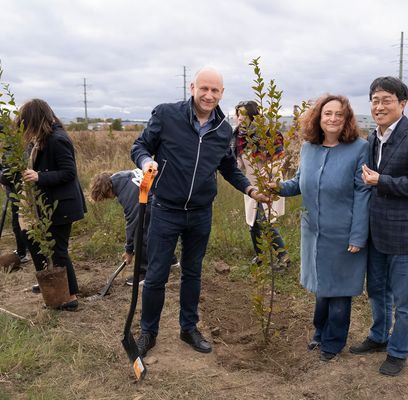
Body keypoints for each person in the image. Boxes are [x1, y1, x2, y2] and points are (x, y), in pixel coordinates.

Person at [131, 66, 267, 356]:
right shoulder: (166, 115)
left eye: (215, 90)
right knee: (156, 274)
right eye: (204, 88)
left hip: (201, 212)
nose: (208, 95)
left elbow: (228, 167)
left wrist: (251, 190)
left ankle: (188, 328)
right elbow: (140, 146)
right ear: (192, 87)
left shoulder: (223, 129)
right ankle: (148, 332)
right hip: (166, 209)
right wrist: (145, 163)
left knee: (193, 273)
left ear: (222, 94)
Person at [348, 77, 408, 376]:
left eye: (386, 99)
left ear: (402, 103)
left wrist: (381, 181)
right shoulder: (374, 137)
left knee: (404, 299)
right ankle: (378, 336)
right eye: (374, 100)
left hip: (406, 233)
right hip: (377, 231)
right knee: (376, 290)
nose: (379, 106)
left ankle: (398, 351)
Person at [275, 95, 370, 361]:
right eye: (328, 113)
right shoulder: (309, 148)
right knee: (321, 284)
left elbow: (363, 194)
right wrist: (275, 187)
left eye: (339, 114)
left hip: (343, 232)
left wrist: (358, 234)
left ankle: (333, 341)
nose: (333, 119)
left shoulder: (359, 149)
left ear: (347, 118)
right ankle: (319, 331)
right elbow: (298, 183)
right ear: (318, 117)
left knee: (339, 289)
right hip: (313, 231)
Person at [16, 99, 86, 311]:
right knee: (37, 245)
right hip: (43, 206)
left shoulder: (57, 139)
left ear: (35, 119)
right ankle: (55, 291)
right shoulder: (37, 141)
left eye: (26, 123)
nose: (25, 129)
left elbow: (69, 173)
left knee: (58, 251)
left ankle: (70, 296)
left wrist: (39, 176)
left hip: (61, 206)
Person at [89, 169, 179, 286]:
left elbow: (132, 223)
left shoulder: (126, 194)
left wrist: (129, 250)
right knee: (157, 232)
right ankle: (171, 261)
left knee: (139, 234)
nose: (110, 198)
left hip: (157, 203)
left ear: (107, 189)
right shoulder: (123, 176)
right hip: (167, 198)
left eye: (106, 196)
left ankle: (144, 273)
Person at [233, 100, 289, 268]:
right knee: (253, 222)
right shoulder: (238, 137)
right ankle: (261, 257)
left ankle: (283, 257)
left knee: (265, 221)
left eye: (243, 114)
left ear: (253, 115)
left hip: (269, 182)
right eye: (237, 115)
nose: (239, 118)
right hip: (251, 185)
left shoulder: (270, 133)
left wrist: (269, 168)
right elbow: (240, 164)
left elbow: (280, 158)